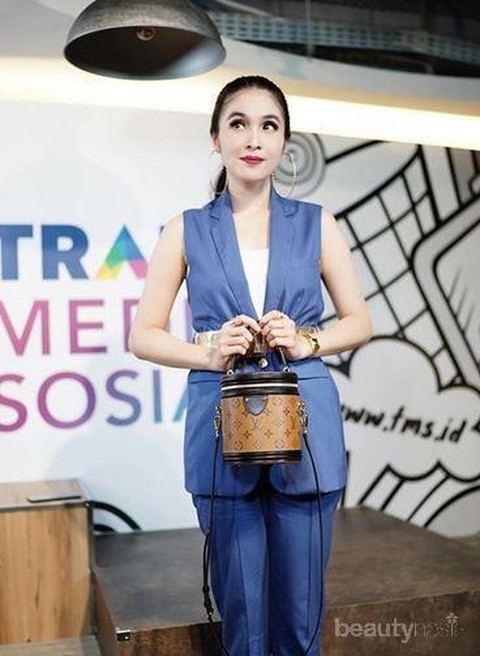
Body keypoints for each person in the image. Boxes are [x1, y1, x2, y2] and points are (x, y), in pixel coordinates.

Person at [128, 75, 371, 656]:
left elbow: (358, 321)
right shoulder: (185, 229)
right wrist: (210, 353)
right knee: (242, 620)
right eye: (238, 123)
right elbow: (143, 335)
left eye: (269, 125)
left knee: (301, 618)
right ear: (217, 138)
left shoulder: (317, 223)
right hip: (222, 427)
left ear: (285, 141)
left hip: (305, 430)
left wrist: (307, 340)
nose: (253, 138)